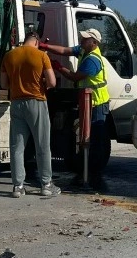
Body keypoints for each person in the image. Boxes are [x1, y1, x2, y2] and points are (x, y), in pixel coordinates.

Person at [39, 28, 110, 188]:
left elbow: (74, 76)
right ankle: (86, 172)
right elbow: (65, 50)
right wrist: (46, 46)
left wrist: (57, 67)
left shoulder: (92, 60)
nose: (81, 40)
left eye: (85, 39)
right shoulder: (84, 51)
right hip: (88, 102)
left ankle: (93, 174)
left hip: (97, 103)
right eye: (82, 38)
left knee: (95, 141)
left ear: (94, 42)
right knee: (86, 137)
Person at [0, 31, 61, 198]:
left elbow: (3, 85)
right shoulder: (41, 55)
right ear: (36, 42)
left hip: (17, 103)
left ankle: (18, 187)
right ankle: (46, 185)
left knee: (17, 147)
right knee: (42, 146)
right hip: (37, 102)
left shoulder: (9, 56)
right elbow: (52, 82)